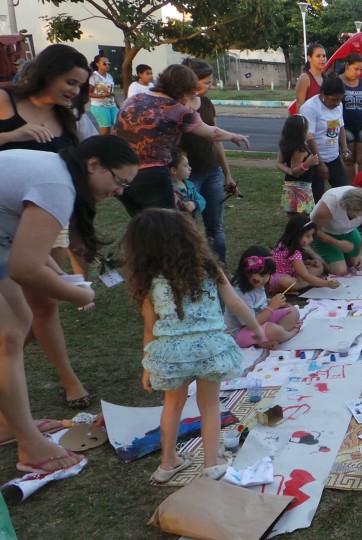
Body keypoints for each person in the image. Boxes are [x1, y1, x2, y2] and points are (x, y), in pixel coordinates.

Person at [0, 135, 138, 474]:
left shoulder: (57, 175)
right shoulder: (57, 185)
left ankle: (8, 424)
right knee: (7, 336)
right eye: (119, 180)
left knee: (17, 325)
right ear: (93, 165)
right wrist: (79, 294)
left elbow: (25, 247)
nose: (120, 191)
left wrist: (61, 276)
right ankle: (30, 445)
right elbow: (24, 267)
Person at [123, 209, 266, 483]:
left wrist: (147, 367)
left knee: (172, 405)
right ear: (189, 237)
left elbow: (149, 327)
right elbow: (236, 303)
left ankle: (168, 463)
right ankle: (212, 463)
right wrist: (257, 328)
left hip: (171, 352)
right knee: (210, 406)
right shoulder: (209, 270)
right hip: (209, 349)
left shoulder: (149, 282)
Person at [0, 44, 95, 409]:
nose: (74, 91)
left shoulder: (67, 120)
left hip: (43, 218)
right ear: (48, 71)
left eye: (79, 86)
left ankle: (69, 379)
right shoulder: (5, 100)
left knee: (44, 303)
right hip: (5, 217)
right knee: (16, 315)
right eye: (70, 81)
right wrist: (11, 136)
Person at [114, 64, 250, 216]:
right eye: (191, 93)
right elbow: (213, 133)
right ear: (182, 90)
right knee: (166, 226)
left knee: (141, 224)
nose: (191, 97)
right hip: (152, 174)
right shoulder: (176, 110)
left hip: (120, 173)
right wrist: (234, 136)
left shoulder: (134, 99)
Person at [179, 58, 240, 263]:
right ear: (191, 81)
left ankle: (220, 271)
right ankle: (195, 273)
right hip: (188, 177)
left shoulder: (205, 103)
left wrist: (227, 173)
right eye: (206, 82)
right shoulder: (175, 107)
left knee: (216, 227)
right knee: (188, 227)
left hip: (212, 172)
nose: (211, 86)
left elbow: (216, 139)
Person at [225, 246, 302, 349]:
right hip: (239, 333)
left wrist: (277, 304)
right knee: (275, 330)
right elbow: (251, 324)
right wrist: (272, 307)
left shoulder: (257, 284)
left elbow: (259, 303)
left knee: (293, 312)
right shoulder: (240, 293)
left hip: (260, 321)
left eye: (268, 275)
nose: (265, 279)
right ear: (246, 271)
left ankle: (271, 337)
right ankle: (288, 334)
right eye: (262, 275)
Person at [309, 185, 362, 275]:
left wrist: (361, 255)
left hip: (348, 231)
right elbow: (314, 230)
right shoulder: (331, 202)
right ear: (346, 206)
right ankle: (309, 250)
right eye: (354, 214)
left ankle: (341, 255)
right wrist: (338, 243)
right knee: (340, 270)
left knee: (361, 264)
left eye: (361, 214)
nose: (357, 217)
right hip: (325, 232)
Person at [299, 76, 350, 192]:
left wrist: (344, 147)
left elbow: (341, 126)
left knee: (344, 192)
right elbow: (309, 137)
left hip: (333, 157)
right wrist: (320, 164)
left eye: (340, 100)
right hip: (314, 160)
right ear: (323, 94)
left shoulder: (339, 106)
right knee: (317, 196)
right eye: (334, 100)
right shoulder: (310, 108)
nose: (337, 103)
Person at [270, 213, 340, 294]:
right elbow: (304, 275)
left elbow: (291, 263)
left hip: (294, 274)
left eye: (311, 236)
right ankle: (311, 282)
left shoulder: (286, 243)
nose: (311, 239)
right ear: (296, 235)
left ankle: (308, 282)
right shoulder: (293, 251)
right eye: (308, 236)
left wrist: (308, 262)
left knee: (319, 267)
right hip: (279, 278)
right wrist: (326, 284)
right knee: (288, 282)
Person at [275, 114, 321, 214]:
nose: (308, 132)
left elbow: (278, 163)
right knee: (302, 218)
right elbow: (296, 171)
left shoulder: (286, 144)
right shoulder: (300, 150)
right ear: (300, 132)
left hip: (290, 185)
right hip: (300, 188)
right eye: (306, 130)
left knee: (293, 216)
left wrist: (289, 171)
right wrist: (307, 164)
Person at [339, 53, 362, 182]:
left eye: (361, 69)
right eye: (356, 69)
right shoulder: (338, 81)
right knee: (348, 161)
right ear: (347, 65)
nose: (359, 72)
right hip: (345, 127)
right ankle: (350, 190)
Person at [168, 147, 205, 218]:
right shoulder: (169, 189)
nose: (190, 168)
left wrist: (194, 204)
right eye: (186, 165)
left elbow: (202, 201)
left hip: (191, 224)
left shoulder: (189, 185)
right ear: (174, 170)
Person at [88, 54, 119, 135]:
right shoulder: (93, 76)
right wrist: (102, 95)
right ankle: (104, 146)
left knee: (120, 127)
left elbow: (112, 93)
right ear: (97, 64)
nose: (107, 65)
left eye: (109, 63)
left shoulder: (110, 76)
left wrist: (119, 106)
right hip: (100, 107)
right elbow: (88, 93)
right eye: (104, 63)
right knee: (105, 131)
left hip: (113, 106)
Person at [294, 44, 327, 111]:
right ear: (309, 58)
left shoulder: (326, 78)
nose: (322, 59)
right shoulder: (305, 78)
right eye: (318, 56)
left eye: (324, 56)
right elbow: (300, 106)